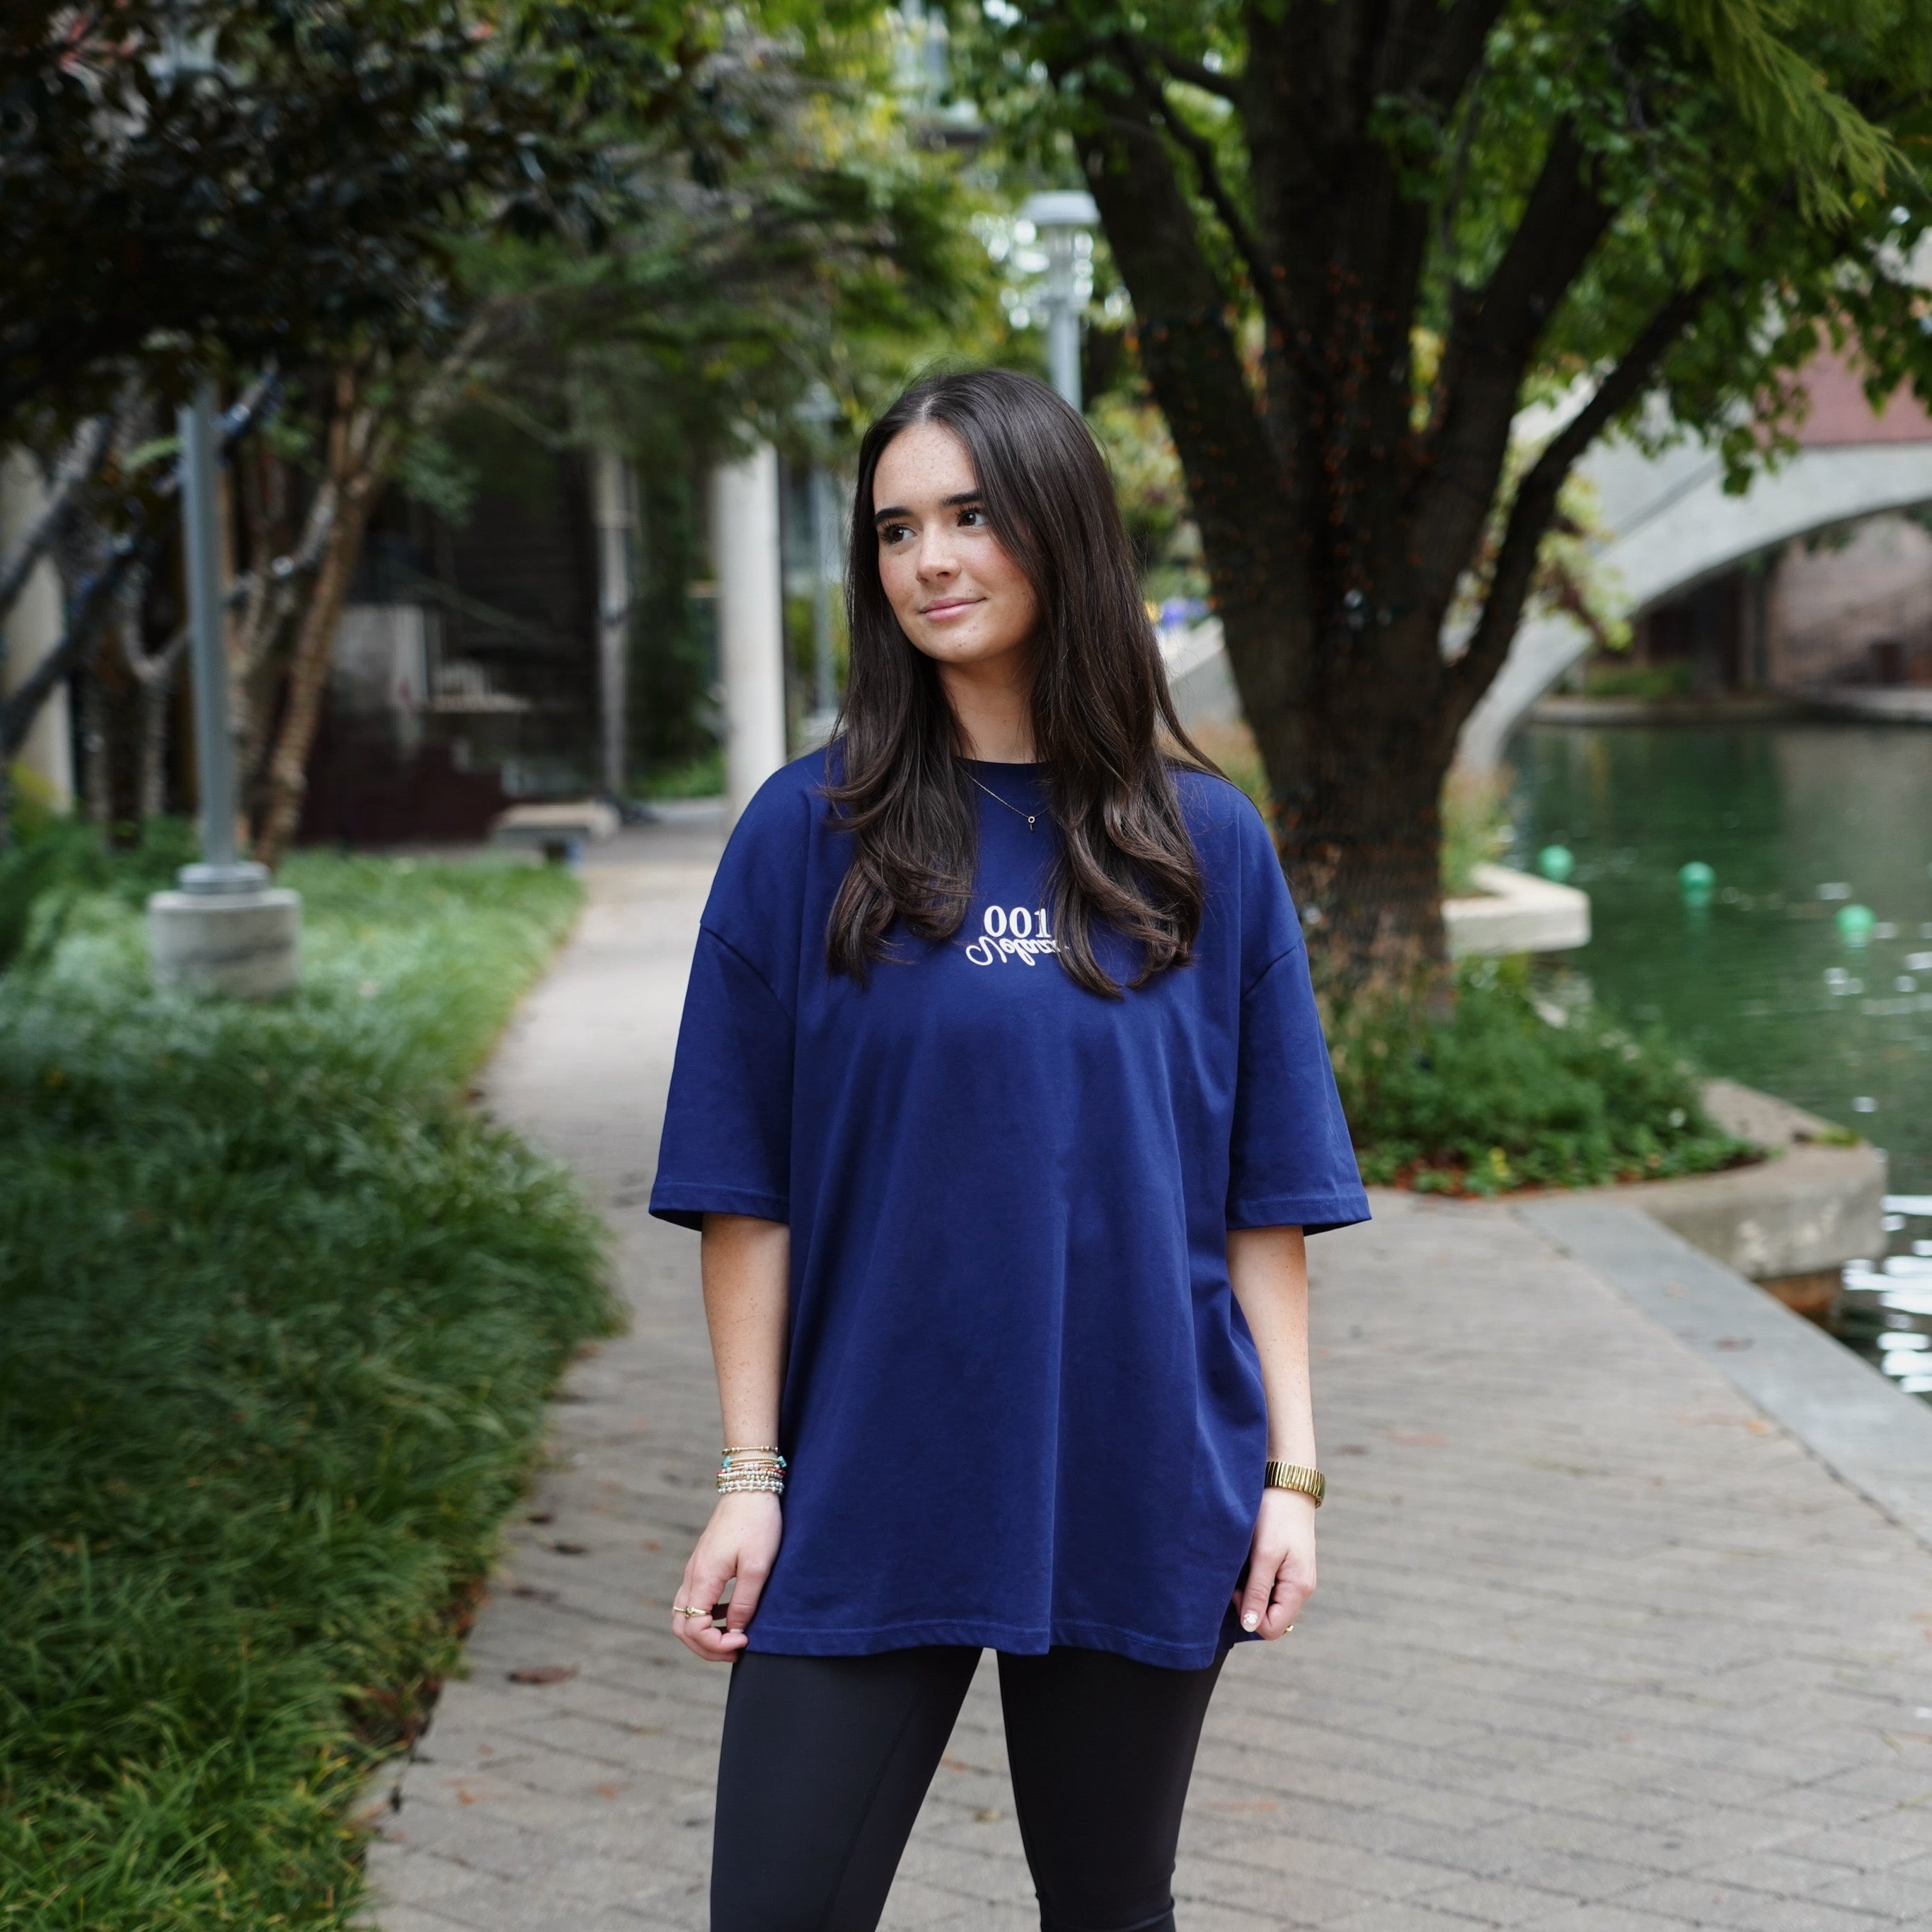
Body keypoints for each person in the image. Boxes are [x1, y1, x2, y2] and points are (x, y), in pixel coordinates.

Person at [650, 367, 1369, 1932]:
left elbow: (1267, 1201)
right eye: (897, 529)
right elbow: (743, 1196)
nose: (931, 560)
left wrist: (1292, 1478)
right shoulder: (804, 835)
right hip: (866, 1480)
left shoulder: (1204, 843)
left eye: (972, 516)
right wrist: (750, 1477)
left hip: (1137, 1475)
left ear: (1062, 533)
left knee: (1111, 1913)